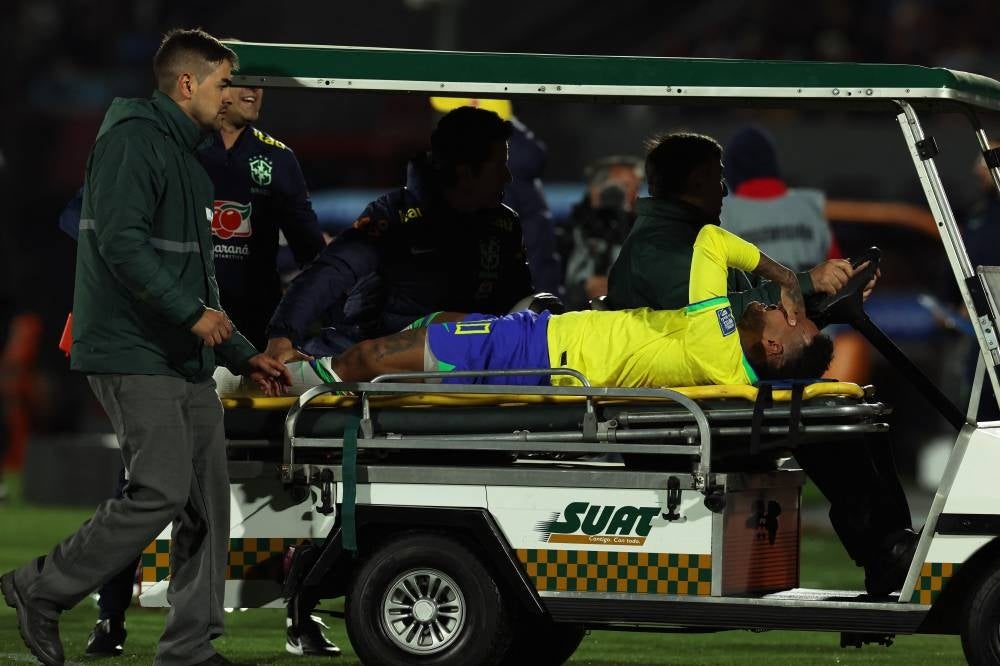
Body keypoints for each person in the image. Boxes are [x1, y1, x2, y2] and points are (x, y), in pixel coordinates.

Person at [1, 29, 291, 666]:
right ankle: (41, 588)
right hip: (133, 350)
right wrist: (191, 316)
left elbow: (200, 282)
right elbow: (121, 245)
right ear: (187, 84)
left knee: (207, 506)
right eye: (222, 83)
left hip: (180, 358)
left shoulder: (184, 155)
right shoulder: (133, 141)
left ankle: (190, 649)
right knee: (159, 489)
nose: (231, 95)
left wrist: (242, 354)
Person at [606, 131, 916, 597]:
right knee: (829, 419)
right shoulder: (661, 250)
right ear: (696, 181)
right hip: (677, 419)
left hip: (714, 402)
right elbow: (722, 321)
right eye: (718, 179)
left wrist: (818, 303)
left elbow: (755, 328)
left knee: (858, 413)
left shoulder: (688, 240)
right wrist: (806, 283)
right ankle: (885, 550)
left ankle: (892, 551)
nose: (725, 190)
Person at [83, 83, 334, 659]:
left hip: (253, 349)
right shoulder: (161, 147)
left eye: (259, 81)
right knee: (146, 479)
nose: (252, 90)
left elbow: (312, 254)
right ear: (206, 85)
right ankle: (111, 612)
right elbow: (92, 219)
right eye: (237, 79)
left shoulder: (277, 159)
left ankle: (300, 613)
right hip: (177, 341)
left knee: (293, 478)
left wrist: (312, 321)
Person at [264, 105, 547, 363]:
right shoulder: (395, 216)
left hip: (467, 366)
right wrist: (282, 337)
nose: (507, 177)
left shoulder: (505, 225)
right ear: (466, 172)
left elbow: (517, 306)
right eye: (499, 166)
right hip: (374, 364)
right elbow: (331, 271)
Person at [557, 156, 644, 310]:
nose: (634, 195)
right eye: (624, 186)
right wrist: (582, 291)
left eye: (636, 188)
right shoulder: (566, 234)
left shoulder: (641, 232)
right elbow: (547, 288)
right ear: (596, 190)